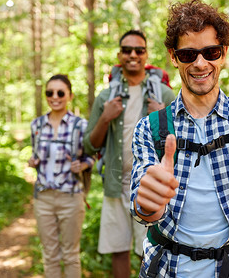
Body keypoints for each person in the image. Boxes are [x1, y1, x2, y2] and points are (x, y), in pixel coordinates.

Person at [130, 0, 229, 278]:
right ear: (173, 56)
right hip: (163, 269)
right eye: (188, 54)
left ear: (223, 54)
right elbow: (145, 212)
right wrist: (148, 202)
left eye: (211, 52)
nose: (200, 63)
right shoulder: (150, 128)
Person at [83, 30, 175, 278]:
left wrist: (163, 115)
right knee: (119, 250)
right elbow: (89, 145)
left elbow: (182, 144)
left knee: (148, 250)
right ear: (119, 55)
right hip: (115, 185)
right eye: (127, 50)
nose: (133, 55)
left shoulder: (164, 95)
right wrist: (104, 117)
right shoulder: (106, 97)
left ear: (146, 54)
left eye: (139, 50)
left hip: (151, 187)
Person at [28, 74, 94, 278]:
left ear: (70, 95)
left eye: (60, 92)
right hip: (43, 198)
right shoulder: (36, 125)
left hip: (71, 198)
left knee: (71, 255)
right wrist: (33, 162)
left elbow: (93, 156)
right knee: (49, 255)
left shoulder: (81, 125)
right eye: (49, 93)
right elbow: (36, 155)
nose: (54, 97)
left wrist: (82, 165)